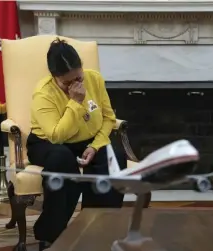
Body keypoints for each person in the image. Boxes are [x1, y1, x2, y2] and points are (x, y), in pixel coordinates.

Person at [27, 38, 127, 250]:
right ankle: (51, 232)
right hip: (48, 144)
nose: (76, 85)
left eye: (78, 78)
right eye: (68, 82)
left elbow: (108, 118)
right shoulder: (43, 94)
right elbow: (57, 136)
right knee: (61, 158)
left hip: (87, 141)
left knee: (114, 157)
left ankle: (98, 227)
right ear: (55, 77)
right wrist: (75, 102)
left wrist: (95, 146)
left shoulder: (94, 79)